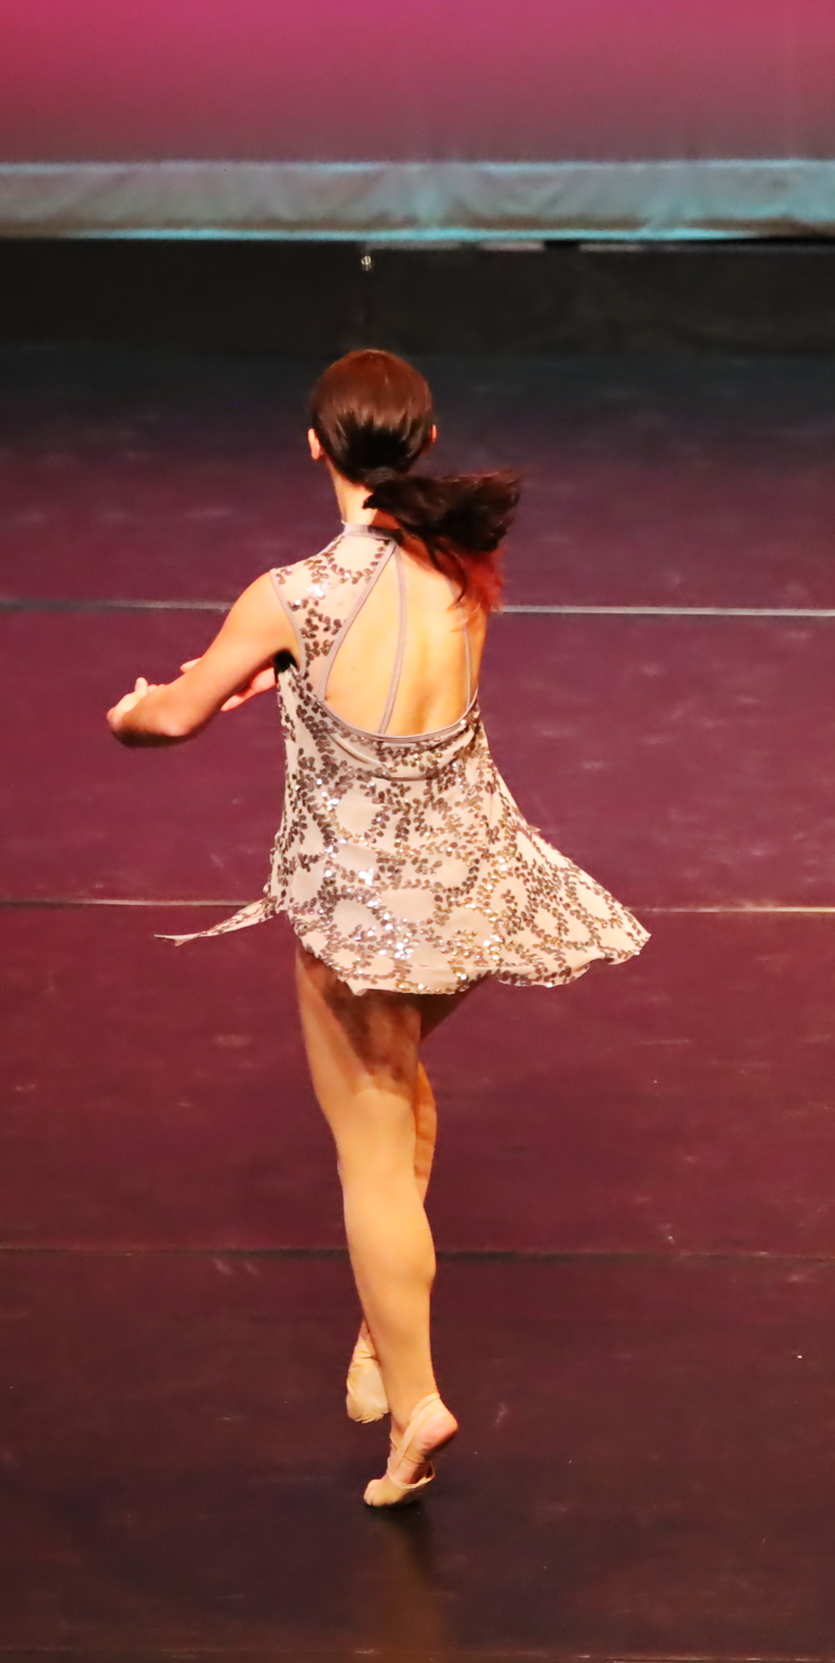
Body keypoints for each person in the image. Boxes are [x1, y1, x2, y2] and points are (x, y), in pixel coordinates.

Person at [107, 349, 646, 1509]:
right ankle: (381, 1327)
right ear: (424, 440)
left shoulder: (291, 593)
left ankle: (416, 1402)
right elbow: (385, 680)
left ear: (315, 445)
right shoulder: (460, 564)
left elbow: (172, 720)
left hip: (362, 916)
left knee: (367, 1146)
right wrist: (283, 678)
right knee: (399, 1093)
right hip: (471, 894)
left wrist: (132, 709)